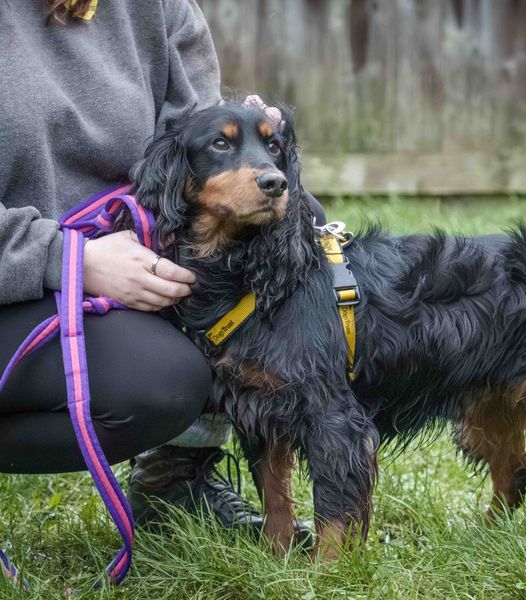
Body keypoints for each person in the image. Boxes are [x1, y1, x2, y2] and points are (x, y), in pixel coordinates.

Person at [0, 0, 322, 537]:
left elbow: (190, 146)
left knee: (283, 235)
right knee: (161, 382)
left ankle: (176, 476)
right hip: (23, 276)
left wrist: (249, 141)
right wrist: (71, 259)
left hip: (127, 253)